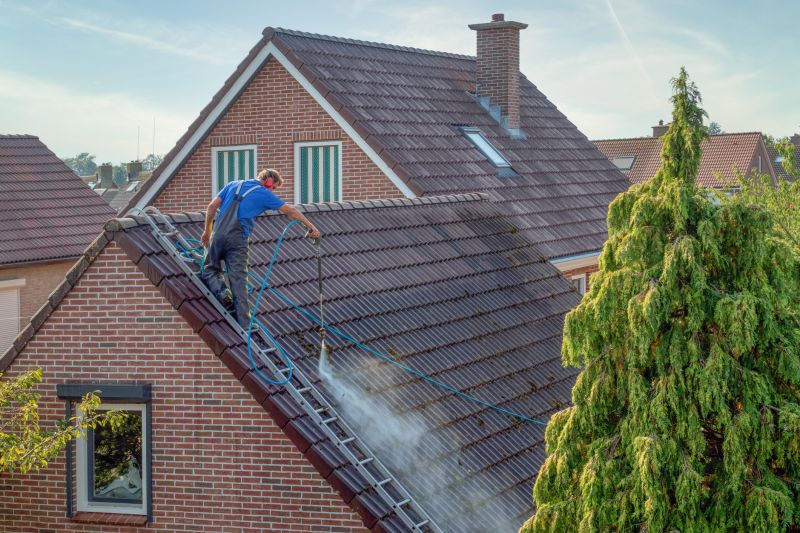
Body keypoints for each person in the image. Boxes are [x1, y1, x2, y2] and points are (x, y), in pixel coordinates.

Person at [200, 169, 321, 328]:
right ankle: (244, 324)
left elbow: (211, 206)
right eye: (275, 187)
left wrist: (207, 231)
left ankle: (221, 291)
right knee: (239, 281)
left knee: (210, 269)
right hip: (238, 240)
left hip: (217, 234)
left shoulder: (233, 184)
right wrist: (311, 227)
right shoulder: (264, 193)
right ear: (269, 182)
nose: (273, 191)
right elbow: (290, 211)